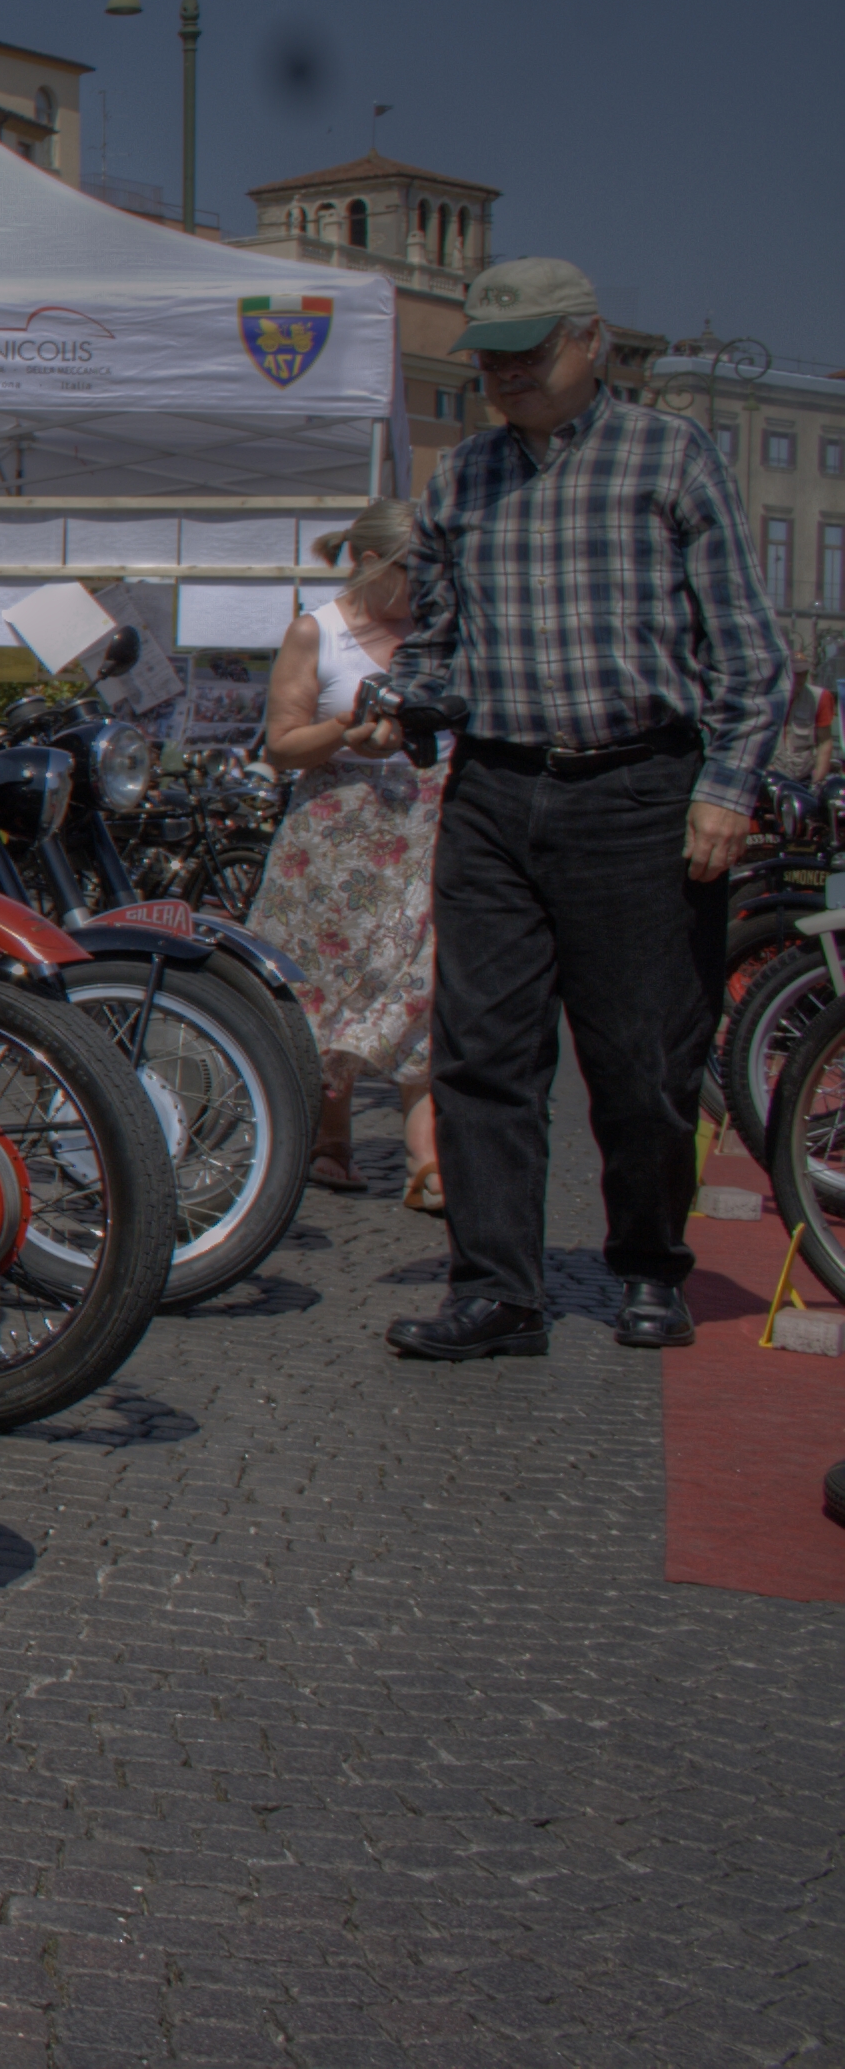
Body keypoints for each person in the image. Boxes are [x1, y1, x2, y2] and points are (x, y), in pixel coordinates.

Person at [376, 258, 792, 1362]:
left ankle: (650, 1264)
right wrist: (407, 700)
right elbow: (437, 647)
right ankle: (498, 1287)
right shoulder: (461, 479)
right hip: (499, 790)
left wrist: (726, 787)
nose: (507, 370)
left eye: (529, 347)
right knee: (481, 1054)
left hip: (639, 787)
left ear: (591, 341)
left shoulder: (671, 455)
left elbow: (752, 657)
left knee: (646, 1057)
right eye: (492, 354)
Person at [251, 500, 445, 1214]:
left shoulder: (440, 630)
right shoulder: (317, 630)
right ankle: (331, 1139)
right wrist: (346, 729)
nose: (424, 587)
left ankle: (426, 1158)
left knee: (424, 985)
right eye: (410, 572)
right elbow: (279, 744)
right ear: (367, 564)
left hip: (428, 823)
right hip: (335, 836)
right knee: (328, 987)